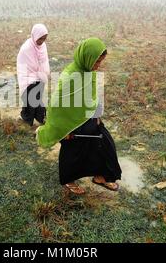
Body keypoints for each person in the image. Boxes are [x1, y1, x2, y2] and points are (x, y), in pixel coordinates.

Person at [36, 38, 122, 195]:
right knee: (73, 149)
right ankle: (69, 180)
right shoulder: (70, 75)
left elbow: (94, 96)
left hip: (86, 117)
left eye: (100, 62)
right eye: (96, 62)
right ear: (86, 57)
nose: (98, 66)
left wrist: (97, 115)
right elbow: (56, 105)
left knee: (104, 142)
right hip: (68, 124)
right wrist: (64, 130)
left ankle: (100, 176)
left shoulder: (90, 72)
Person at [17, 24, 50, 127]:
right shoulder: (27, 48)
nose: (41, 41)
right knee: (31, 98)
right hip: (28, 76)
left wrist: (44, 73)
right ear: (34, 36)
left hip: (40, 75)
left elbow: (44, 61)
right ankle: (28, 120)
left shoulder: (42, 46)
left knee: (37, 98)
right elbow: (31, 65)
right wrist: (39, 73)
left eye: (44, 39)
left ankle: (40, 117)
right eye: (40, 39)